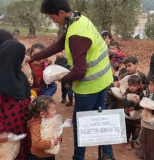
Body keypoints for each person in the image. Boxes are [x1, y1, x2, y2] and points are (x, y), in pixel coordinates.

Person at [25, 0, 114, 159]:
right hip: (103, 79)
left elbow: (80, 71)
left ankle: (78, 157)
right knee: (102, 120)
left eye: (53, 18)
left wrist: (61, 77)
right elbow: (58, 45)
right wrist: (32, 57)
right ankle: (108, 155)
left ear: (61, 12)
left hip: (90, 86)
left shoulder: (76, 35)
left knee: (81, 125)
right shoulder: (79, 19)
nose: (53, 21)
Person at [0, 39, 31, 160]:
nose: (24, 59)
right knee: (7, 155)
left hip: (21, 127)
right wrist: (0, 131)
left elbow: (25, 99)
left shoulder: (20, 76)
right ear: (14, 57)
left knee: (20, 154)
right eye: (22, 56)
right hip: (6, 131)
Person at [27, 96, 62, 160]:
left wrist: (58, 138)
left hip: (49, 155)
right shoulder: (35, 126)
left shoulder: (50, 122)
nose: (55, 112)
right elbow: (36, 144)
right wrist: (52, 142)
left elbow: (53, 134)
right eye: (53, 110)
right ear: (42, 114)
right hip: (39, 157)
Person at [122, 75, 144, 150]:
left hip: (137, 117)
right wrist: (132, 102)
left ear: (138, 86)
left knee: (136, 130)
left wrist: (134, 107)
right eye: (130, 85)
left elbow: (142, 105)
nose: (132, 87)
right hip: (127, 117)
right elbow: (124, 102)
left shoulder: (141, 94)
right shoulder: (126, 93)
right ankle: (126, 141)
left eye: (134, 85)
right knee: (127, 130)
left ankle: (133, 141)